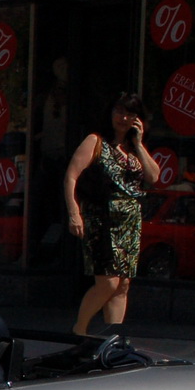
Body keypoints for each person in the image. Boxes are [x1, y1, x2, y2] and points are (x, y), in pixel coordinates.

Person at [65, 93, 159, 335]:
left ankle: (113, 336)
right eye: (119, 111)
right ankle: (80, 329)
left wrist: (139, 143)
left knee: (123, 284)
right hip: (102, 220)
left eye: (130, 114)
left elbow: (153, 177)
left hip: (130, 223)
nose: (123, 118)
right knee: (107, 282)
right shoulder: (96, 141)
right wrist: (74, 212)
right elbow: (71, 176)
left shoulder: (133, 149)